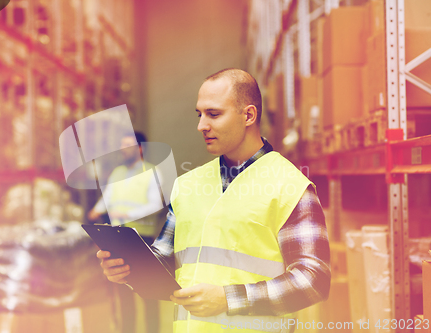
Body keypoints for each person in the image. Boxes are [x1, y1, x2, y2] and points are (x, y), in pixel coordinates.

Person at [98, 69, 331, 332]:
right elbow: (165, 258)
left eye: (214, 114)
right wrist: (128, 268)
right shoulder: (188, 185)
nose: (201, 126)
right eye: (200, 114)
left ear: (248, 115)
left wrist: (227, 300)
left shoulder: (290, 186)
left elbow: (314, 280)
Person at [88, 131, 160, 333]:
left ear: (140, 148)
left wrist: (127, 213)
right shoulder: (117, 173)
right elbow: (108, 197)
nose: (123, 149)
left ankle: (152, 330)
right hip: (119, 237)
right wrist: (96, 210)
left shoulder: (151, 172)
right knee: (123, 289)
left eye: (128, 145)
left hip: (142, 238)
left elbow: (155, 205)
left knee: (149, 291)